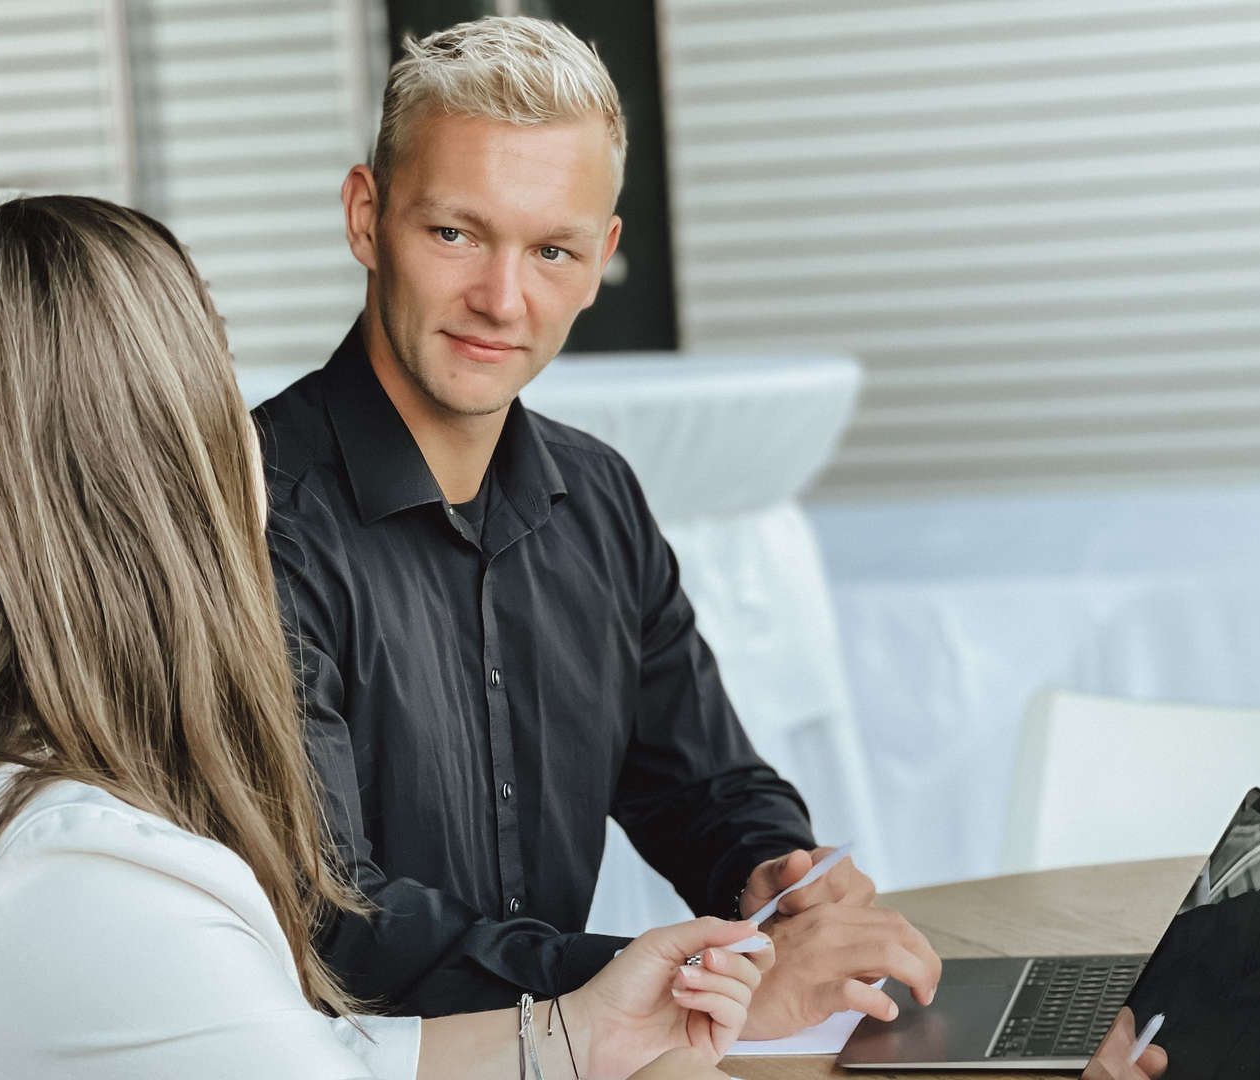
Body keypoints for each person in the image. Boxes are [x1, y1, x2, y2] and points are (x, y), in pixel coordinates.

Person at [0, 195, 769, 1080]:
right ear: (153, 490)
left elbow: (303, 1058)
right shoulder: (80, 885)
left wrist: (575, 1038)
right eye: (217, 386)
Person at [255, 14, 941, 1037]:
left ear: (603, 257)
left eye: (553, 250)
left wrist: (770, 870)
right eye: (456, 233)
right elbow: (330, 919)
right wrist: (688, 980)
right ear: (366, 216)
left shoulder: (599, 495)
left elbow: (704, 779)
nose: (502, 298)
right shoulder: (251, 513)